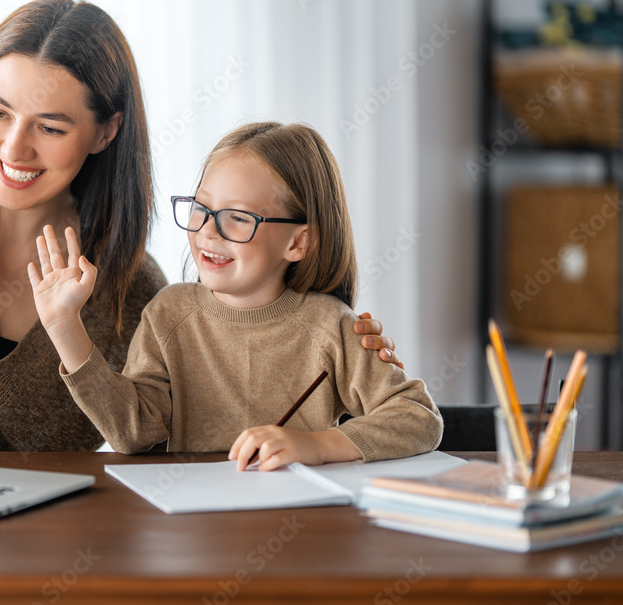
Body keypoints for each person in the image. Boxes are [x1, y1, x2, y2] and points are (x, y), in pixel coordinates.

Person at [0, 0, 402, 451]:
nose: (13, 148)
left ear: (106, 131)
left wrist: (348, 356)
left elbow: (240, 381)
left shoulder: (133, 295)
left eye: (51, 127)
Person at [29, 121, 442, 467]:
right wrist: (65, 327)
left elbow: (418, 417)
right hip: (197, 529)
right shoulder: (168, 314)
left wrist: (316, 445)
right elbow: (133, 432)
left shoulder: (330, 325)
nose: (208, 230)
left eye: (237, 218)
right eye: (201, 207)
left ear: (298, 243)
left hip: (304, 528)